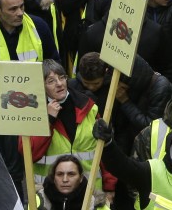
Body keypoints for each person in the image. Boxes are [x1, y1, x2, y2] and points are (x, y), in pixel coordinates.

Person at [27, 60, 110, 197]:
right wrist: (49, 120)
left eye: (62, 77)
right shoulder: (32, 113)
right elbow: (30, 153)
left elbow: (104, 148)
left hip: (89, 192)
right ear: (41, 86)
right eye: (51, 81)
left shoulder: (88, 107)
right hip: (49, 194)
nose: (59, 84)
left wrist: (109, 185)